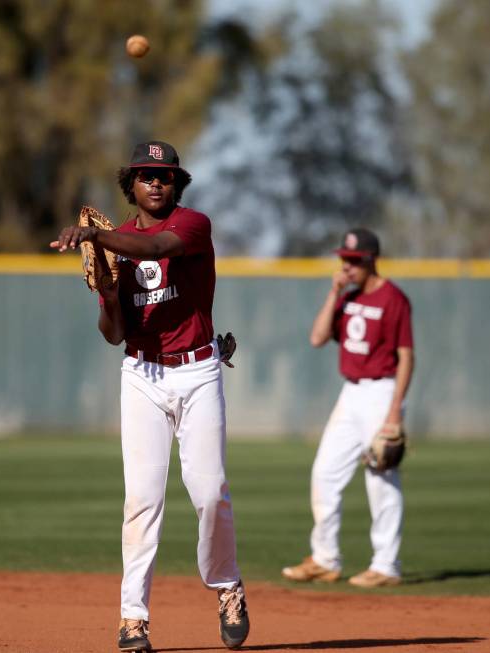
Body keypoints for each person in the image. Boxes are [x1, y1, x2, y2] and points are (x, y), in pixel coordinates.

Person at [51, 141, 249, 651]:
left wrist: (98, 235)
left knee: (210, 494)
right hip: (142, 376)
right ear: (131, 185)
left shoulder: (191, 224)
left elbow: (159, 249)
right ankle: (132, 618)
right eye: (144, 175)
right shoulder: (114, 249)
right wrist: (111, 295)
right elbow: (114, 334)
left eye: (164, 175)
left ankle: (227, 586)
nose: (156, 182)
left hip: (199, 372)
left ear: (177, 183)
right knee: (141, 500)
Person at [282, 228, 414, 588]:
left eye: (354, 260)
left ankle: (386, 565)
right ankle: (325, 559)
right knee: (324, 473)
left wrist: (395, 410)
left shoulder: (393, 298)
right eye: (344, 259)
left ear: (371, 258)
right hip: (350, 394)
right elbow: (318, 337)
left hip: (381, 392)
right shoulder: (349, 297)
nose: (347, 265)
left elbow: (406, 356)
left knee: (381, 478)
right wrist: (335, 291)